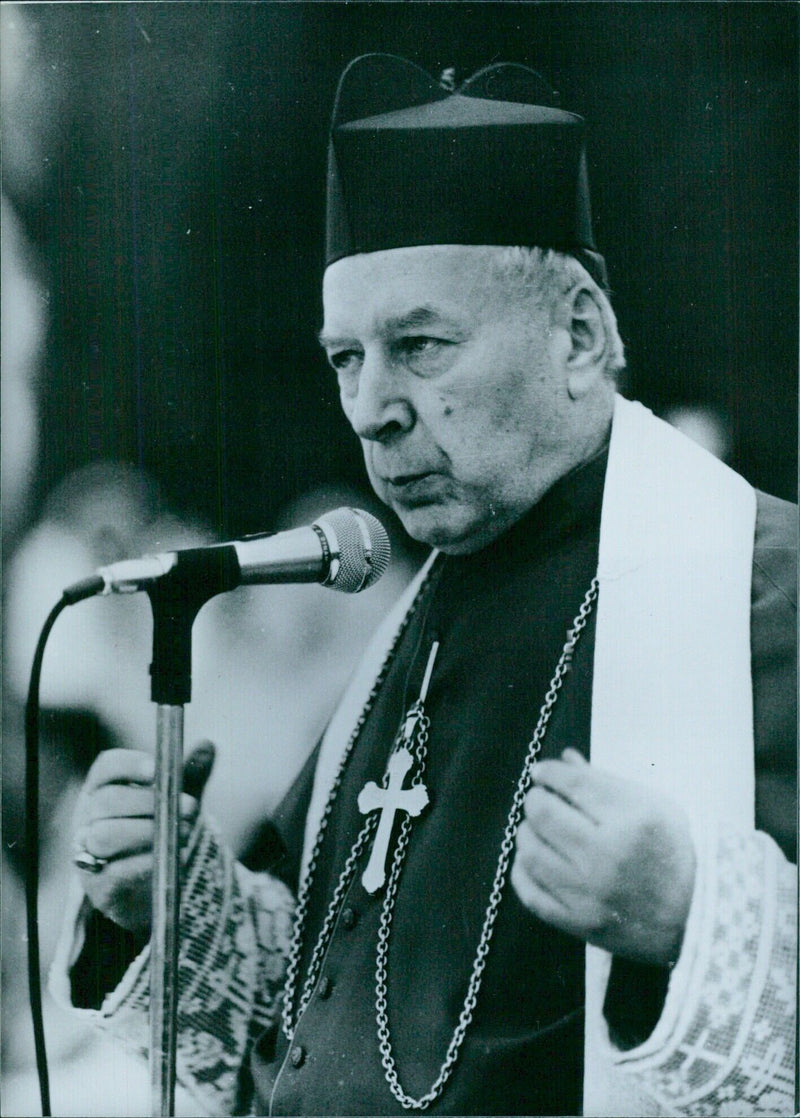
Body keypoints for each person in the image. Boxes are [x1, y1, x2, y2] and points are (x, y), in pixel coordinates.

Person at [52, 55, 796, 1116]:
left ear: (578, 333)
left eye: (420, 346)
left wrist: (689, 914)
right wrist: (173, 894)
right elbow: (312, 1017)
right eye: (346, 358)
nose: (370, 409)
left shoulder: (754, 586)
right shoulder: (412, 617)